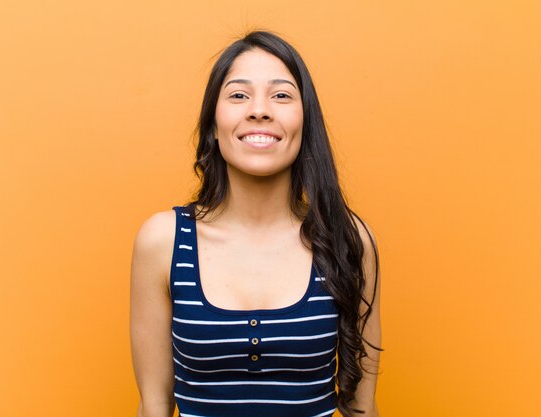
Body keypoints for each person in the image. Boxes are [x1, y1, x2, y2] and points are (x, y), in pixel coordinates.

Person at [130, 30, 383, 417]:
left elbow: (361, 409)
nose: (259, 110)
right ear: (213, 125)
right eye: (238, 95)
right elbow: (155, 404)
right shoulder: (163, 241)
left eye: (281, 95)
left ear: (305, 121)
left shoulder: (347, 238)